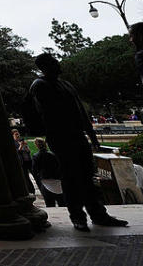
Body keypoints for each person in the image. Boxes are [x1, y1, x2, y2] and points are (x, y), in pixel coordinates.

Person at [29, 53, 127, 231]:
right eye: (53, 62)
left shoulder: (65, 84)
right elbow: (49, 115)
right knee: (70, 177)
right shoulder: (41, 85)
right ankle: (78, 216)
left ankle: (98, 214)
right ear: (44, 67)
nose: (58, 64)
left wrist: (91, 134)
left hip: (77, 136)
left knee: (87, 176)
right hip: (61, 137)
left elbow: (80, 111)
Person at [31, 138, 65, 207]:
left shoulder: (36, 156)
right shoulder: (53, 154)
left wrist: (39, 178)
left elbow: (34, 170)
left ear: (37, 146)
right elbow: (59, 166)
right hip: (57, 180)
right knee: (62, 203)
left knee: (49, 204)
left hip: (45, 181)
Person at [12, 129, 35, 193]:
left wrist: (26, 147)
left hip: (29, 161)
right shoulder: (13, 143)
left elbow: (29, 151)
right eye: (16, 134)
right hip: (22, 162)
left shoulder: (22, 141)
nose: (18, 135)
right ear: (13, 136)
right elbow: (17, 152)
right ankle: (31, 190)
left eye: (18, 133)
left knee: (35, 174)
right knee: (26, 178)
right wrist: (21, 146)